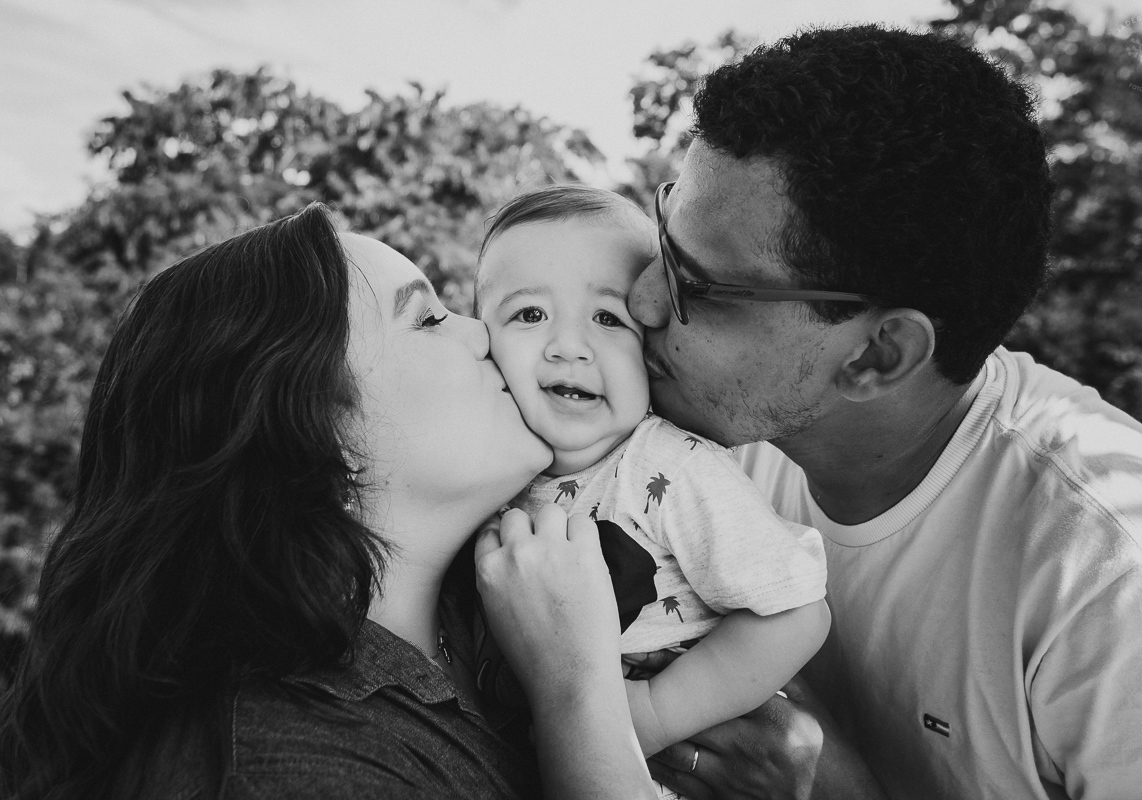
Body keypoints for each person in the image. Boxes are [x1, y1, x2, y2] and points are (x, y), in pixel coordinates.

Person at [624, 25, 1142, 800]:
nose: (641, 301)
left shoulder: (1120, 575)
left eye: (699, 285)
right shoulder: (699, 439)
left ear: (878, 355)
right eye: (662, 232)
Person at [0, 203, 656, 800]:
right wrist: (577, 692)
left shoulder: (512, 602)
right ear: (314, 427)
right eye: (428, 318)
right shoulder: (283, 768)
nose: (483, 333)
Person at [472, 185, 831, 797]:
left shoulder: (670, 466)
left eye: (608, 318)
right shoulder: (489, 471)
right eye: (529, 315)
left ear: (651, 347)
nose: (567, 345)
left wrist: (658, 711)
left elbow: (796, 612)